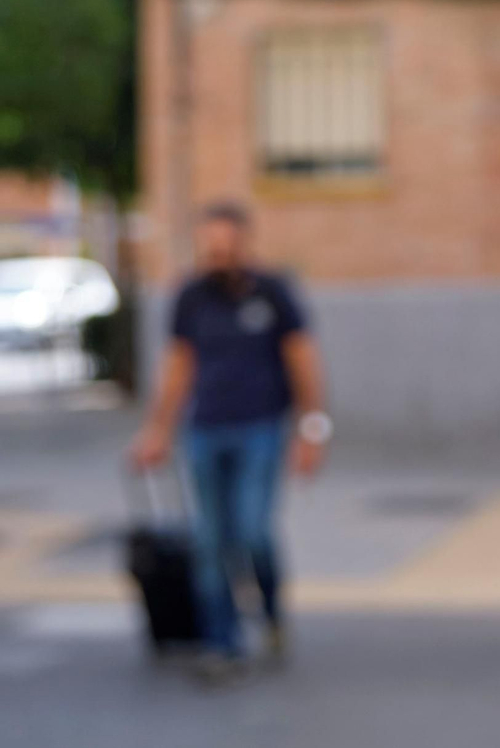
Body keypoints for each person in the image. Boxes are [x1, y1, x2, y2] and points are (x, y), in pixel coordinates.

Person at [129, 201, 330, 678]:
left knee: (253, 533)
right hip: (204, 431)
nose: (218, 252)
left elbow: (302, 360)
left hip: (261, 428)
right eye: (210, 244)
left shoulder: (273, 292)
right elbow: (179, 365)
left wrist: (312, 428)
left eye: (225, 243)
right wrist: (157, 430)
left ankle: (271, 611)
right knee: (209, 541)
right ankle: (223, 643)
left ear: (243, 241)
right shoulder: (192, 297)